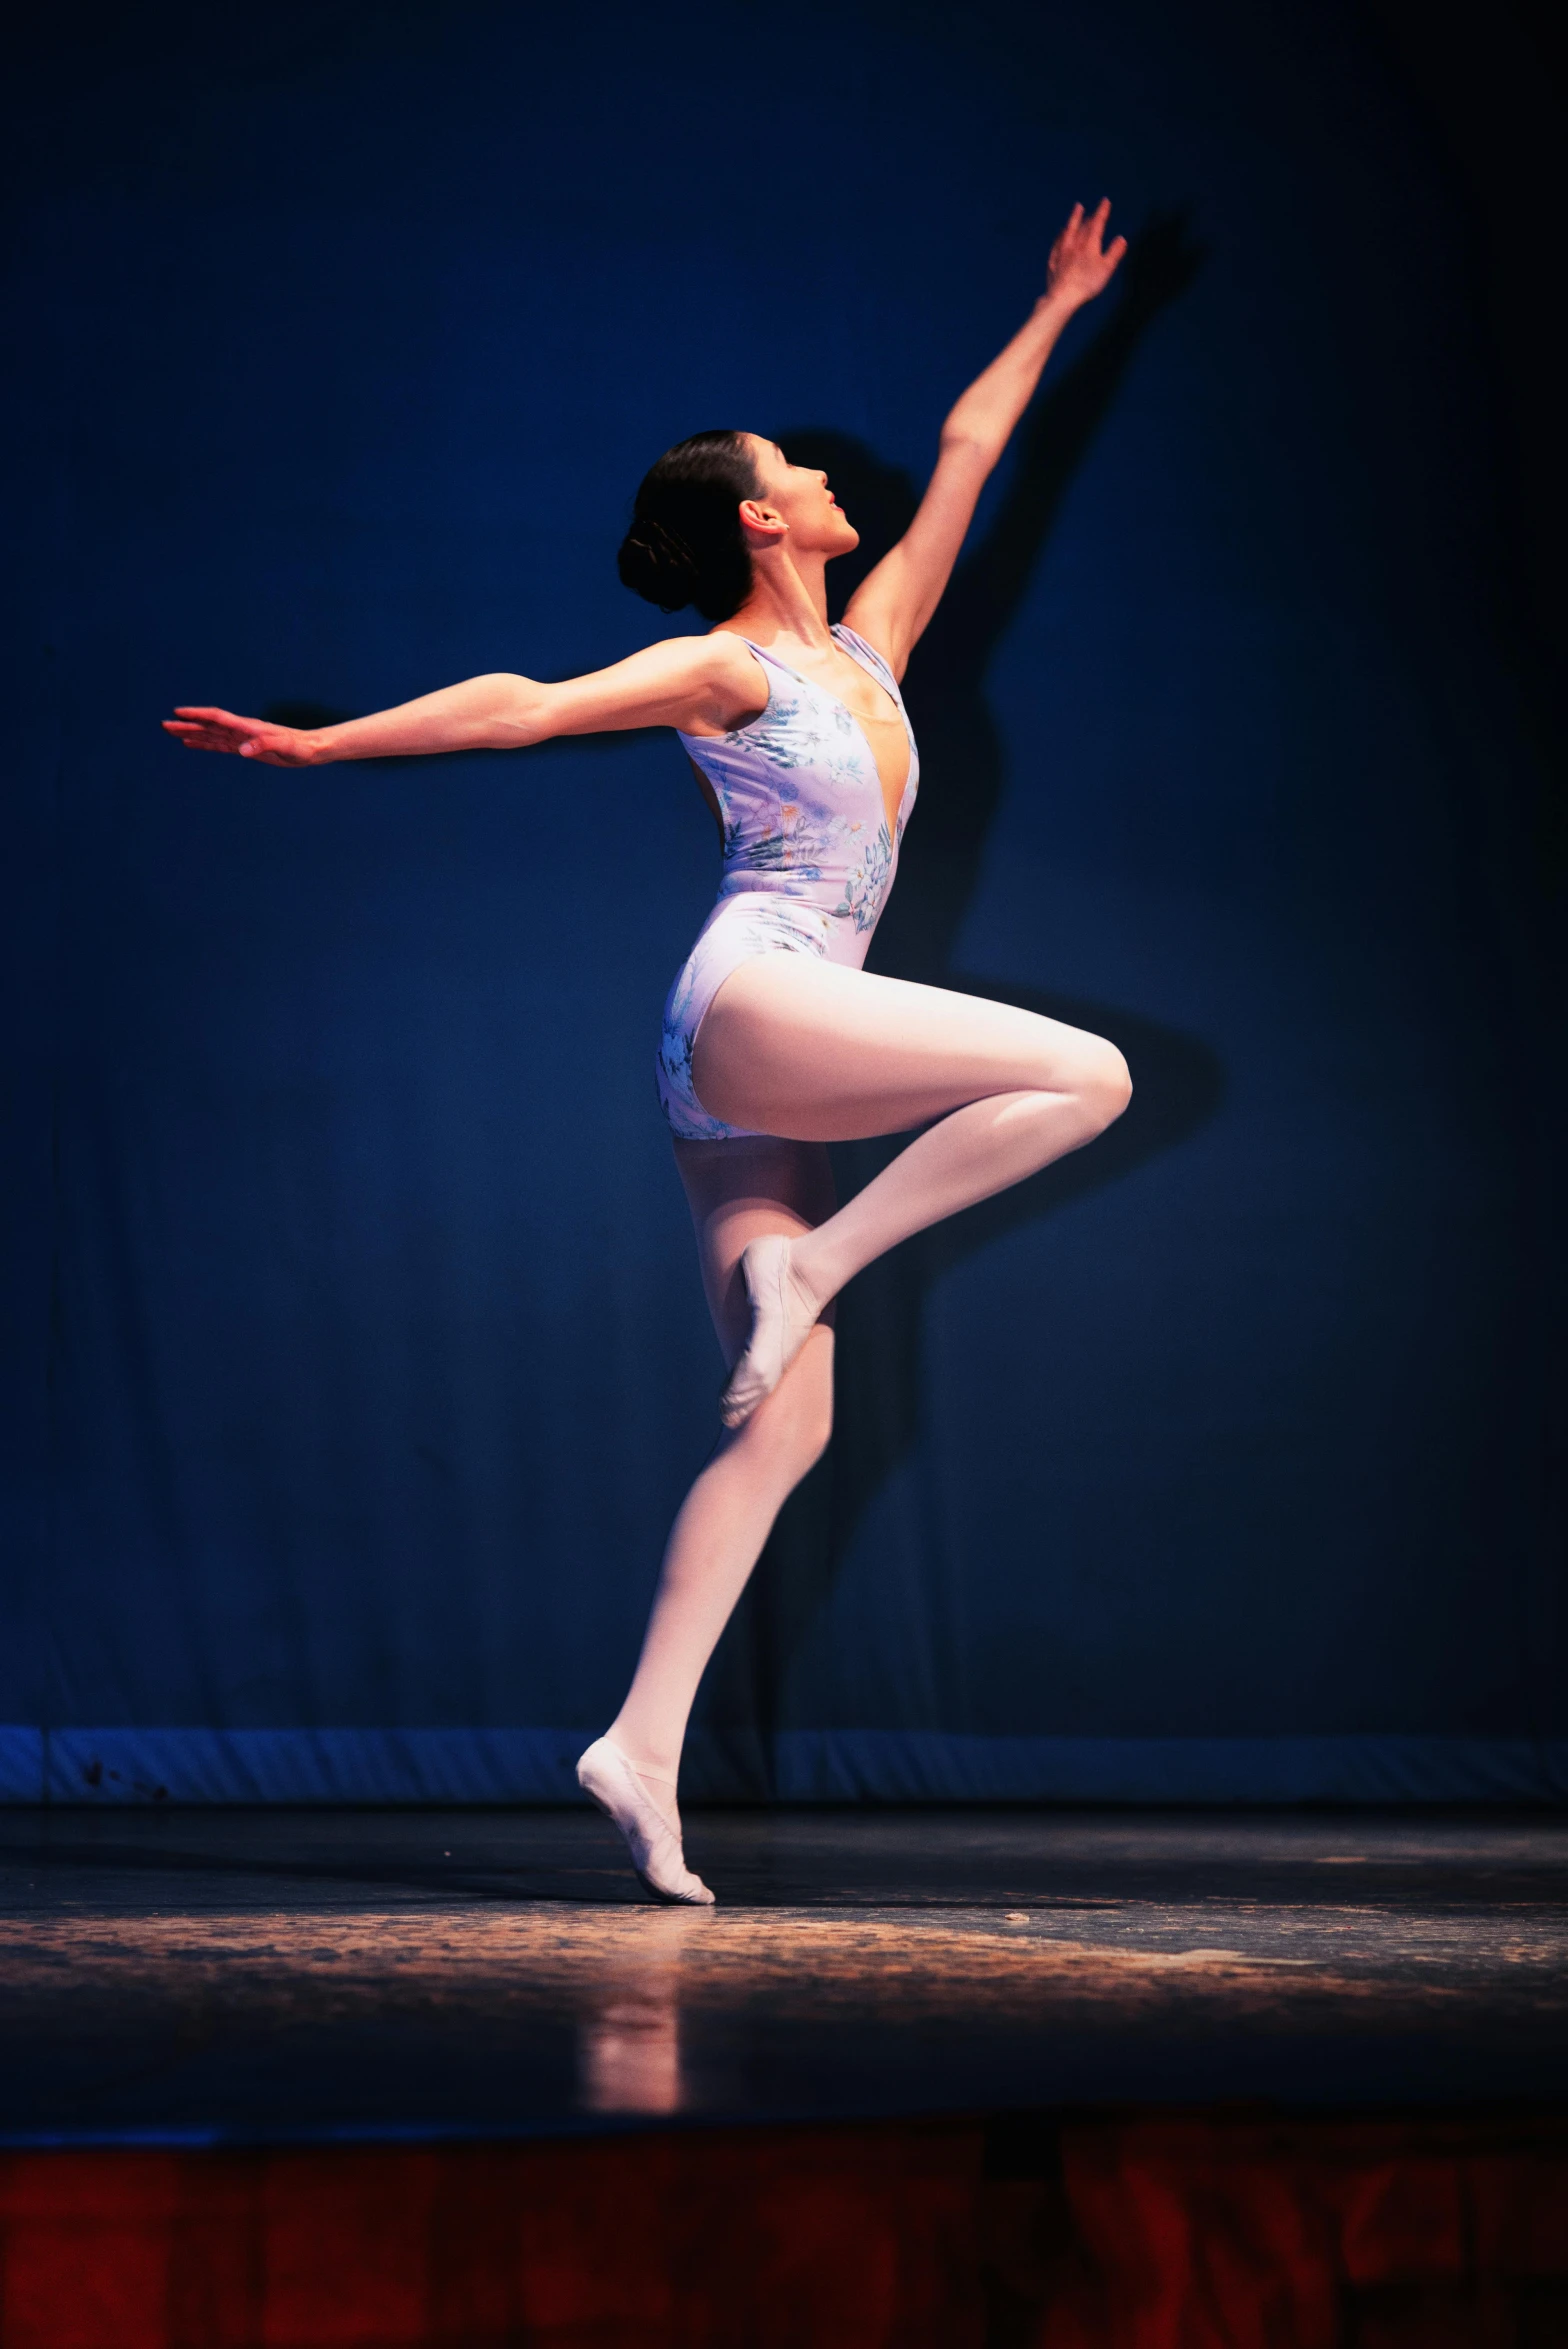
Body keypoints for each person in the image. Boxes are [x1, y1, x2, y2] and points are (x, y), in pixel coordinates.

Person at [165, 202, 1133, 1905]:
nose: (845, 484)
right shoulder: (728, 669)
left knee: (789, 1431)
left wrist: (1057, 308)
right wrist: (324, 745)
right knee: (1087, 1075)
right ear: (765, 517)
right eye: (805, 472)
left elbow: (975, 443)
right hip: (753, 996)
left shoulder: (876, 643)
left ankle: (640, 1745)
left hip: (752, 1060)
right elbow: (525, 701)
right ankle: (816, 1263)